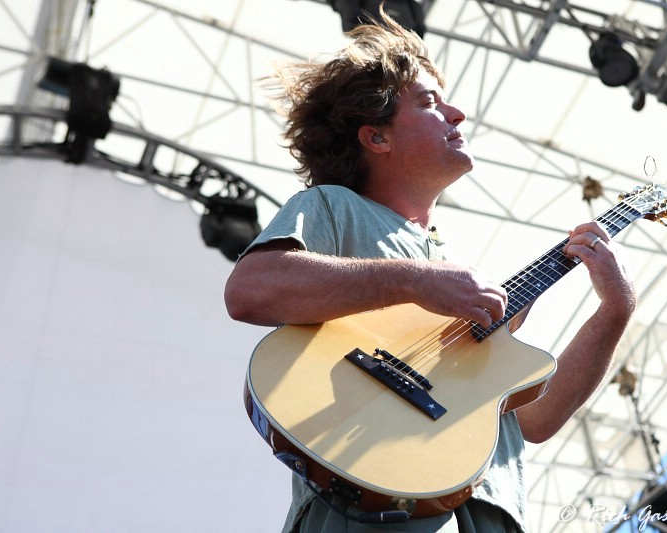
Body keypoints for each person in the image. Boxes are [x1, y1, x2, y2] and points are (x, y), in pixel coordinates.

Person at [224, 10, 636, 533]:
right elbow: (251, 289)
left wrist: (616, 310)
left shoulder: (452, 278)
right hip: (367, 506)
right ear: (377, 139)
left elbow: (537, 419)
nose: (457, 113)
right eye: (429, 103)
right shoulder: (334, 206)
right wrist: (416, 280)